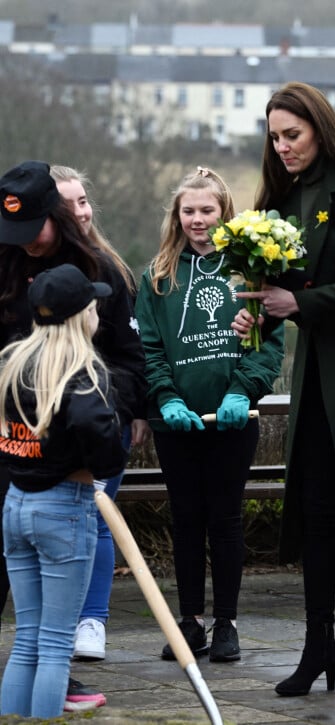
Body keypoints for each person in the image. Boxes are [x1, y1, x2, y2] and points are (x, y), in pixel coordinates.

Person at [232, 81, 335, 697]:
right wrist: (262, 313)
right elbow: (280, 287)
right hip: (314, 373)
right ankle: (318, 646)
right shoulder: (282, 197)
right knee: (315, 504)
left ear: (319, 128)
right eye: (274, 137)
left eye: (292, 135)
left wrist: (294, 301)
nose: (281, 147)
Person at [0, 159, 148, 707]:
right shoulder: (6, 259)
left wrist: (105, 428)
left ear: (57, 217)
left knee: (46, 628)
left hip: (69, 459)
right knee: (41, 624)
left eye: (33, 230)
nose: (25, 244)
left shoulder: (99, 268)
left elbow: (130, 363)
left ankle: (46, 688)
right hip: (13, 450)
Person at [135, 167, 284, 663]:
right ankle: (191, 621)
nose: (198, 220)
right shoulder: (157, 275)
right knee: (186, 518)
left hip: (232, 421)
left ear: (224, 213)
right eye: (189, 211)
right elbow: (149, 348)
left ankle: (227, 623)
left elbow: (270, 345)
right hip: (177, 423)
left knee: (224, 519)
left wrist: (244, 390)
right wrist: (165, 398)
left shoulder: (251, 270)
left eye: (207, 210)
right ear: (176, 217)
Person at [0, 264, 126, 719]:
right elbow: (99, 433)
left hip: (15, 505)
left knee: (27, 637)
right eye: (94, 306)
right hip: (63, 510)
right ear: (83, 316)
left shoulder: (12, 363)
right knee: (55, 644)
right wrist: (107, 460)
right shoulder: (83, 372)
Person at [49, 164, 149, 662]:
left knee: (95, 518)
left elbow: (131, 355)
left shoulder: (110, 270)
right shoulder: (23, 267)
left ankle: (92, 621)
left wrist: (125, 411)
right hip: (41, 425)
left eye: (84, 200)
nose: (81, 212)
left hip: (98, 417)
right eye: (69, 205)